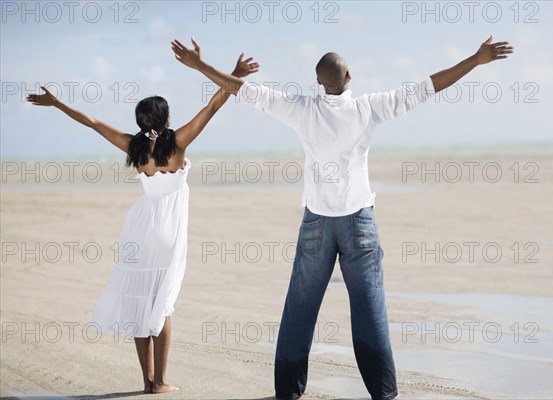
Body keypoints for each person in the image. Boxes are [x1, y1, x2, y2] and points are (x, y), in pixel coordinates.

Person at [171, 35, 513, 400]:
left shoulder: (300, 109)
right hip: (358, 224)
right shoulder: (369, 109)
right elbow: (429, 86)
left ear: (319, 82)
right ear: (349, 76)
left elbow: (242, 90)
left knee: (299, 308)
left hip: (317, 223)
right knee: (369, 310)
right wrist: (475, 59)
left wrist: (199, 66)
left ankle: (287, 391)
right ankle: (384, 393)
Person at [26, 54, 259, 394]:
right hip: (168, 232)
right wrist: (234, 75)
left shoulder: (134, 147)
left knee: (140, 301)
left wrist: (57, 102)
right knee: (161, 304)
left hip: (140, 227)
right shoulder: (178, 144)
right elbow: (212, 107)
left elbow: (91, 121)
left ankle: (147, 381)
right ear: (166, 119)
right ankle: (161, 382)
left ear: (140, 121)